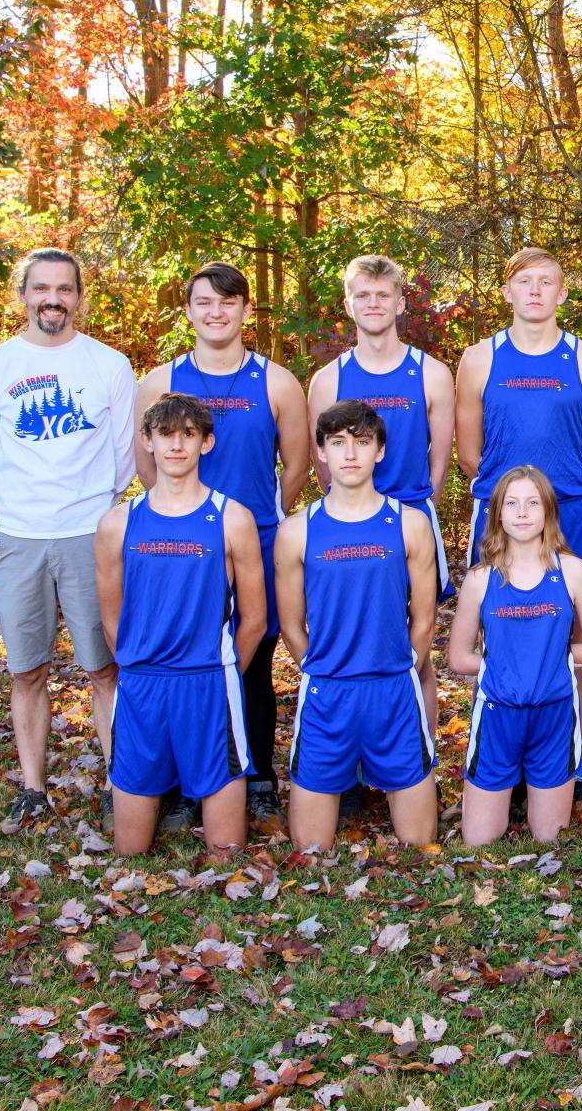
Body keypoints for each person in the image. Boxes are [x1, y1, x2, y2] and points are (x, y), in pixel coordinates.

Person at [0, 247, 137, 833]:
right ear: (24, 294)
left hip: (90, 533)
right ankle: (33, 789)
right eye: (42, 288)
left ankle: (121, 783)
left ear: (79, 296)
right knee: (27, 670)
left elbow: (121, 457)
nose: (53, 300)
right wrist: (31, 503)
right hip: (20, 535)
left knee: (104, 668)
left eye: (64, 289)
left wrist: (92, 507)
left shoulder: (109, 365)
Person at [135, 262, 310, 834]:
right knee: (191, 663)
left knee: (251, 661)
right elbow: (145, 468)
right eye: (204, 302)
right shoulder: (159, 382)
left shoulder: (277, 381)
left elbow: (299, 464)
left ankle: (257, 780)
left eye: (228, 303)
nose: (216, 312)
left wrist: (254, 518)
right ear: (188, 310)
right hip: (183, 547)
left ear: (246, 312)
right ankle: (190, 784)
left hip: (256, 539)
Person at [455, 247, 582, 810]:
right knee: (496, 634)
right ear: (507, 291)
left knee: (568, 638)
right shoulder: (478, 358)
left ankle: (578, 760)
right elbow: (469, 452)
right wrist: (513, 504)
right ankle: (502, 758)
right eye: (524, 282)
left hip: (566, 514)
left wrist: (554, 497)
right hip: (499, 518)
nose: (535, 292)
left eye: (547, 282)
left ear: (563, 293)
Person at [94, 393, 267, 856]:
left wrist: (223, 669)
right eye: (166, 434)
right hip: (142, 686)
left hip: (209, 683)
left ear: (206, 443)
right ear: (147, 441)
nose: (176, 445)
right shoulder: (118, 524)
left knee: (226, 852)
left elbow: (254, 620)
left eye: (188, 434)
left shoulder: (233, 519)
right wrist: (141, 662)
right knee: (129, 850)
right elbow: (112, 620)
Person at [275, 400, 440, 851]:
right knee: (310, 848)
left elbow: (424, 618)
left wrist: (402, 665)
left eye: (362, 443)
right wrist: (322, 666)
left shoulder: (409, 524)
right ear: (322, 452)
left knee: (419, 841)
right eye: (338, 443)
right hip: (328, 692)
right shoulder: (296, 531)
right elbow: (290, 625)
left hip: (392, 689)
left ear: (380, 451)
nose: (351, 454)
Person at [306, 254, 455, 731]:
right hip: (346, 524)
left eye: (383, 295)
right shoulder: (328, 379)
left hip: (410, 520)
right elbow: (321, 463)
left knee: (419, 644)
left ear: (400, 303)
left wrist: (409, 512)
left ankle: (421, 756)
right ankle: (350, 763)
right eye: (363, 295)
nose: (373, 304)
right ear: (348, 304)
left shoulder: (430, 373)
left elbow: (440, 462)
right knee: (348, 637)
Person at [446, 467, 582, 846]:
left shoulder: (571, 571)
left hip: (553, 718)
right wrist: (507, 666)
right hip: (497, 717)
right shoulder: (479, 579)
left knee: (548, 838)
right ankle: (503, 792)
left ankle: (535, 790)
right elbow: (458, 657)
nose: (522, 512)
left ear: (548, 511)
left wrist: (551, 659)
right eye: (512, 503)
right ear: (498, 514)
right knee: (479, 840)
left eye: (532, 503)